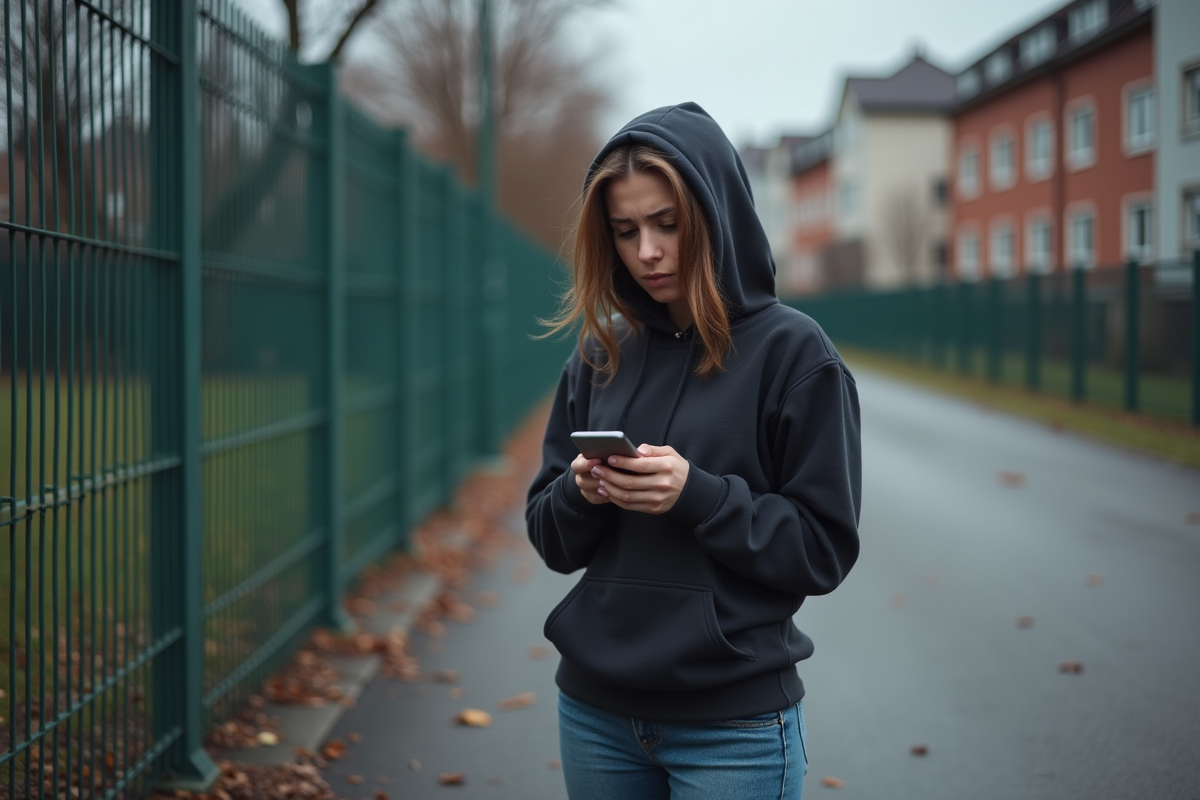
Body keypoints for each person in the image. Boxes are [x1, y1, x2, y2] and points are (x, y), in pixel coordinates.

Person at [525, 102, 862, 800]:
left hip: (731, 726)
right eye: (626, 231)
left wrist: (698, 495)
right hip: (594, 714)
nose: (646, 250)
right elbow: (552, 541)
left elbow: (822, 548)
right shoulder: (599, 355)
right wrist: (578, 492)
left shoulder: (796, 355)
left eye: (667, 224)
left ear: (714, 217)